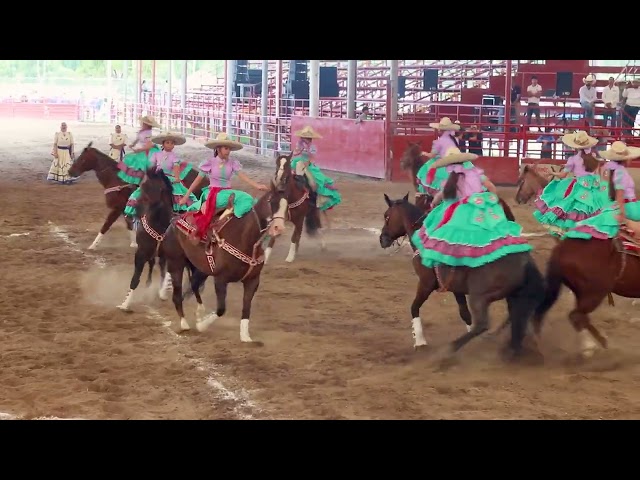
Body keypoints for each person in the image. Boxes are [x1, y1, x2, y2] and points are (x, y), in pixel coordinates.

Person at [411, 147, 532, 268]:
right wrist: (491, 200)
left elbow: (442, 194)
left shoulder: (453, 176)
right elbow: (491, 187)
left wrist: (433, 204)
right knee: (495, 230)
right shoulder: (475, 172)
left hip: (462, 208)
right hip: (480, 205)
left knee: (440, 228)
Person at [179, 133, 268, 234]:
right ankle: (233, 221)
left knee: (252, 201)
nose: (228, 151)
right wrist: (186, 196)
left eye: (229, 148)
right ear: (218, 149)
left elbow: (243, 176)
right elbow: (197, 180)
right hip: (213, 193)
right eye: (226, 148)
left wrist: (257, 185)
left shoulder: (232, 163)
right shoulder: (209, 162)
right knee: (246, 198)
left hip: (226, 192)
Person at [533, 130, 612, 235]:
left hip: (578, 185)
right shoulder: (593, 156)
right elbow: (597, 174)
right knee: (593, 207)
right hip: (593, 185)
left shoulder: (573, 159)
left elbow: (563, 175)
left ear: (575, 146)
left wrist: (553, 173)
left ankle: (569, 231)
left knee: (568, 205)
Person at [564, 141, 640, 241]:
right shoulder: (621, 172)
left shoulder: (611, 168)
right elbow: (620, 196)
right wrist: (621, 213)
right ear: (625, 159)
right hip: (629, 207)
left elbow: (602, 181)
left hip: (590, 188)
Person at [123, 131, 197, 219]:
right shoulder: (156, 155)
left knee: (176, 196)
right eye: (167, 142)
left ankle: (174, 214)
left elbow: (177, 176)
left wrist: (174, 180)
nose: (170, 145)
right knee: (138, 193)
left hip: (169, 179)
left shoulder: (174, 157)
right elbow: (151, 169)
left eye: (172, 143)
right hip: (156, 178)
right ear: (163, 143)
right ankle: (134, 214)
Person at [290, 125, 342, 212]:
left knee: (316, 181)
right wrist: (298, 150)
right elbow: (295, 153)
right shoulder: (300, 143)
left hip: (308, 163)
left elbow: (312, 158)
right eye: (304, 136)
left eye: (307, 137)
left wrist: (307, 162)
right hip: (299, 161)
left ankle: (315, 199)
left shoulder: (312, 147)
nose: (305, 138)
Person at [117, 115, 162, 186]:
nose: (141, 124)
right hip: (143, 149)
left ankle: (142, 181)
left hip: (148, 151)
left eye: (143, 123)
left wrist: (140, 150)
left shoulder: (148, 134)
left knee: (139, 162)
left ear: (147, 125)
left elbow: (149, 145)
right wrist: (133, 144)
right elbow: (138, 139)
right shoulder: (141, 131)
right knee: (129, 158)